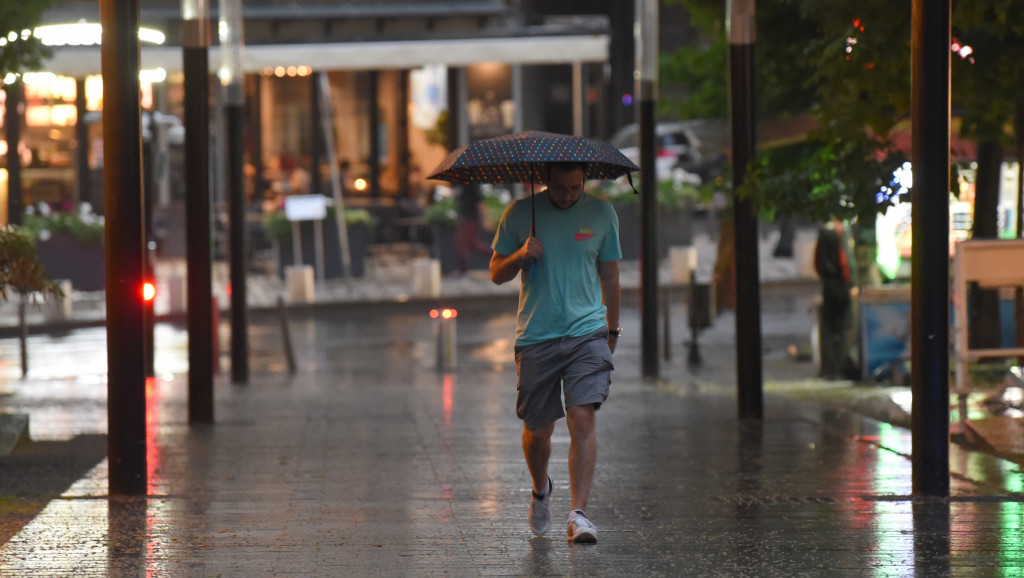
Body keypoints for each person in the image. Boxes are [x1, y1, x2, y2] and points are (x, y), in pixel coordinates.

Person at [489, 161, 622, 544]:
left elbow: (610, 275)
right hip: (537, 335)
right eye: (561, 188)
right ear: (545, 181)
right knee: (538, 431)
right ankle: (540, 488)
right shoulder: (520, 214)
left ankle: (578, 514)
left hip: (587, 331)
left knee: (582, 419)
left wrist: (612, 329)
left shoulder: (601, 213)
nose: (568, 195)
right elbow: (496, 272)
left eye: (576, 188)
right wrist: (520, 255)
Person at [814, 217, 857, 379]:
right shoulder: (841, 230)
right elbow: (844, 259)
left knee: (828, 327)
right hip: (841, 284)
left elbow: (817, 259)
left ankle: (829, 368)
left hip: (828, 283)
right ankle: (840, 366)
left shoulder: (823, 230)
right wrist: (850, 283)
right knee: (845, 326)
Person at [456, 183, 493, 274]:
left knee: (462, 243)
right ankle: (497, 254)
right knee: (472, 244)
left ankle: (463, 271)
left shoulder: (473, 185)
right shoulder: (466, 185)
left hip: (471, 217)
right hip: (467, 217)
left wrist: (485, 218)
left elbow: (480, 202)